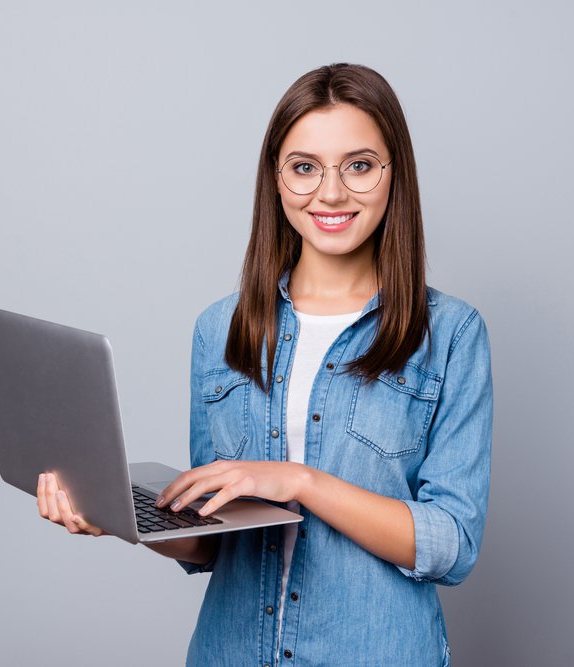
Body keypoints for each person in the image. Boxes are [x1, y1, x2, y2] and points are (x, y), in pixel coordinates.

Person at [37, 63, 493, 666]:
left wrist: (300, 482)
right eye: (305, 168)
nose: (330, 193)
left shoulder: (452, 335)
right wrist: (122, 518)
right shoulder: (219, 329)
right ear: (276, 180)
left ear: (394, 175)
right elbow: (212, 541)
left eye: (358, 165)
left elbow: (452, 545)